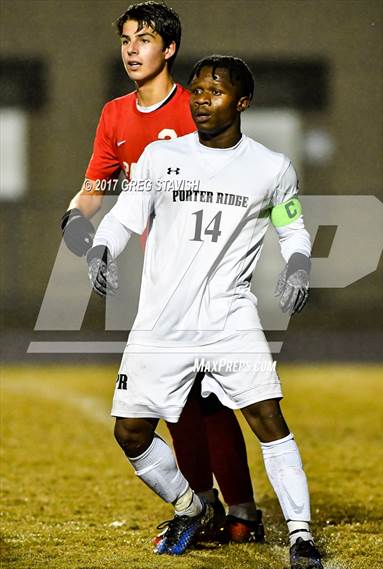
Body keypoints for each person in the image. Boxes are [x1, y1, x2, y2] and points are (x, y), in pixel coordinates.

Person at [86, 55, 324, 569]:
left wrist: (299, 264)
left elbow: (292, 227)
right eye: (195, 90)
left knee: (269, 420)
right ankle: (190, 506)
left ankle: (302, 536)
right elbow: (125, 215)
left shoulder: (271, 168)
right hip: (160, 324)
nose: (200, 99)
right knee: (129, 432)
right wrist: (101, 247)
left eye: (213, 92)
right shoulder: (158, 157)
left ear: (242, 103)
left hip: (229, 319)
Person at [60, 1, 263, 542]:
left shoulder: (196, 107)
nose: (131, 48)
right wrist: (79, 231)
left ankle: (239, 509)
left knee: (211, 398)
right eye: (126, 38)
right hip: (159, 279)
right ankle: (209, 506)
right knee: (178, 401)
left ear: (169, 48)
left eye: (144, 38)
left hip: (207, 276)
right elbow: (94, 191)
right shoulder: (115, 115)